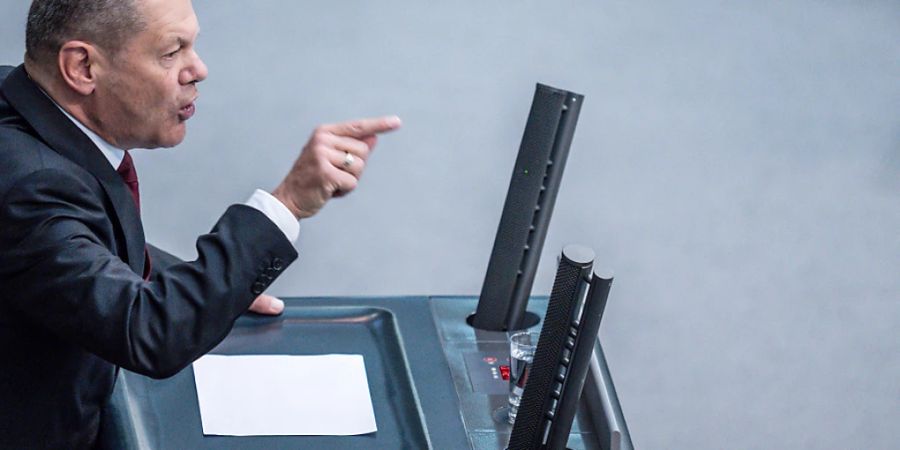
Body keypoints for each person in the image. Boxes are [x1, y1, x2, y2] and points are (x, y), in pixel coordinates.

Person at [0, 0, 401, 447]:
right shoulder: (34, 187)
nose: (199, 69)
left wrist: (214, 286)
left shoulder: (17, 100)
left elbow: (66, 252)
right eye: (172, 53)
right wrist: (289, 202)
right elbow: (148, 331)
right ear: (83, 66)